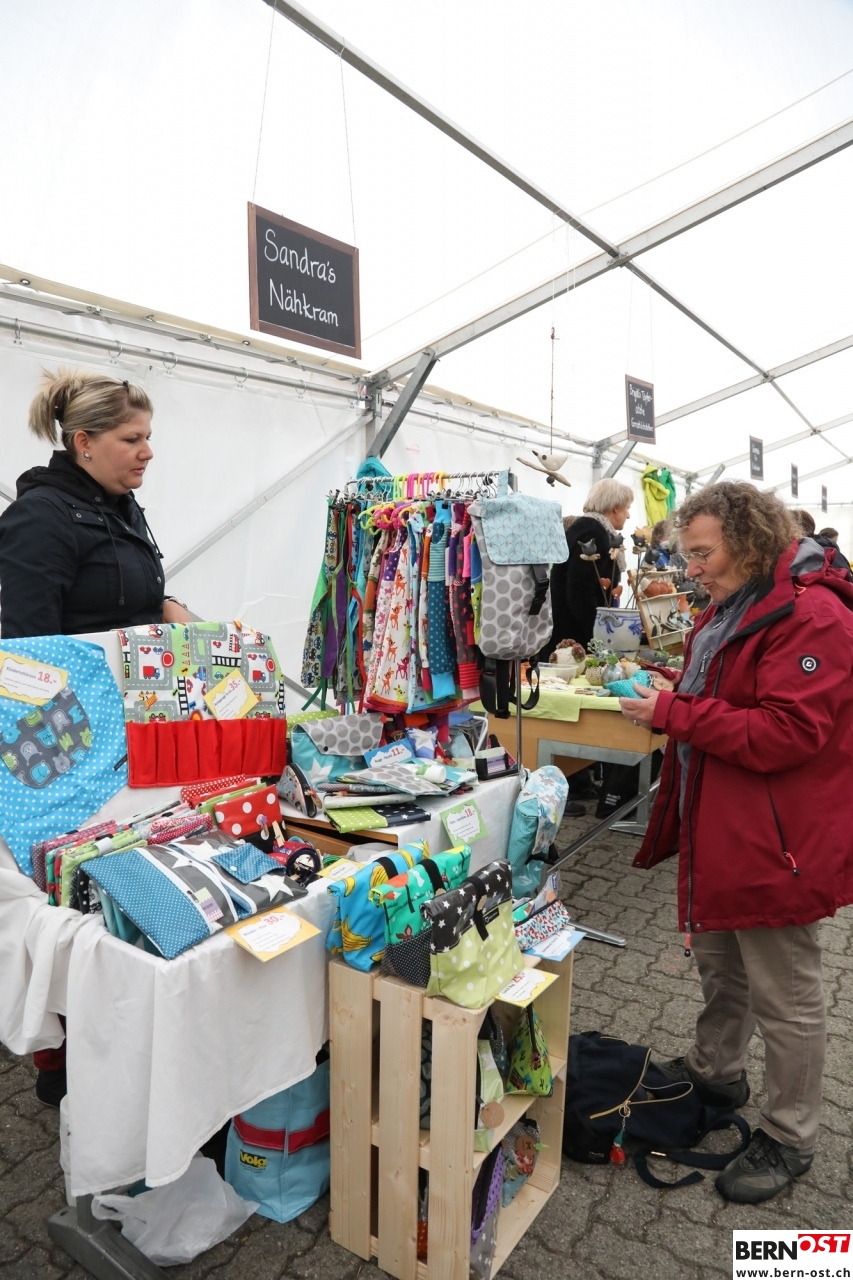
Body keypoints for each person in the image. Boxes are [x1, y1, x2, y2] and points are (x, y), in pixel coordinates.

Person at [618, 481, 853, 1203]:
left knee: (787, 995)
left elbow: (788, 732)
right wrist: (674, 685)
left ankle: (790, 1134)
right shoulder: (741, 602)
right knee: (723, 965)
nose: (689, 569)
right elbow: (731, 692)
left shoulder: (811, 615)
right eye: (686, 554)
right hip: (726, 822)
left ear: (748, 539)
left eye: (700, 554)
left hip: (776, 839)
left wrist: (675, 713)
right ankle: (715, 1074)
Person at [0, 370, 193, 1106]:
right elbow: (26, 654)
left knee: (117, 883)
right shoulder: (40, 519)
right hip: (65, 749)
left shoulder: (121, 508)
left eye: (148, 437)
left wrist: (170, 608)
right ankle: (61, 1058)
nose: (148, 452)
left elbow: (132, 595)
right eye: (131, 439)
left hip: (129, 735)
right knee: (62, 894)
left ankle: (120, 1033)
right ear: (83, 442)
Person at [543, 477, 633, 655]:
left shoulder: (585, 528)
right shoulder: (593, 533)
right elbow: (580, 592)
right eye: (627, 508)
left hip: (568, 631)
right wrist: (598, 639)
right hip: (575, 639)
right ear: (616, 508)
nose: (628, 515)